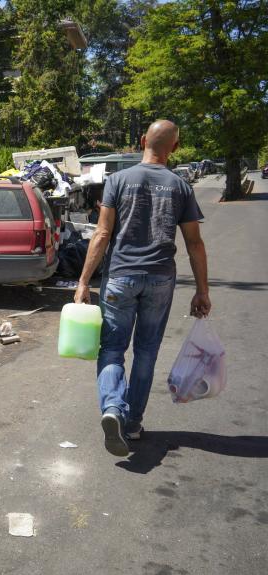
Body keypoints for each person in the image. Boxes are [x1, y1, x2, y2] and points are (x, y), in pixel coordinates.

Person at [74, 120, 210, 456]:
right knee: (146, 351)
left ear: (141, 140)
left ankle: (112, 408)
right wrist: (202, 291)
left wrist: (82, 282)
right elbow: (194, 243)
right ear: (175, 149)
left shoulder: (118, 180)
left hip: (120, 276)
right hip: (161, 278)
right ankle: (132, 424)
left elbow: (103, 234)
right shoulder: (181, 186)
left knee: (111, 349)